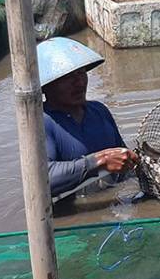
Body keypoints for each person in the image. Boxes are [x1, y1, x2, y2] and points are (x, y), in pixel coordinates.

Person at [36, 37, 139, 199]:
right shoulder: (42, 122)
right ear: (46, 86)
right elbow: (42, 180)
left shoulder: (99, 111)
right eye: (67, 77)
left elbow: (124, 162)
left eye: (81, 73)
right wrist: (100, 161)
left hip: (110, 206)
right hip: (74, 214)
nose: (78, 83)